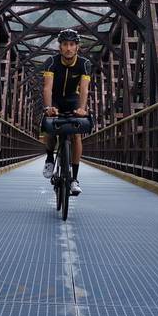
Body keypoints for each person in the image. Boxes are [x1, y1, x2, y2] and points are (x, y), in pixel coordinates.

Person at [42, 28, 91, 196]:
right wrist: (49, 108)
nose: (68, 48)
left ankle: (74, 179)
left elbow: (84, 89)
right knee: (50, 128)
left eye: (72, 44)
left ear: (77, 47)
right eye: (65, 44)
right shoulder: (51, 62)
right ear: (60, 47)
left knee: (76, 135)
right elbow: (47, 87)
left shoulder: (84, 64)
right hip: (55, 99)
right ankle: (49, 158)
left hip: (72, 99)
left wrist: (82, 109)